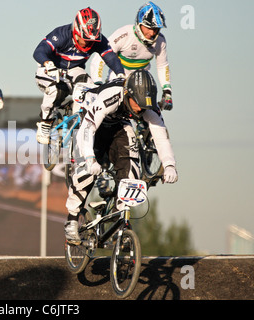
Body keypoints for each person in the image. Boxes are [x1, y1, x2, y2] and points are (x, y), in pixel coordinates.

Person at [64, 69, 178, 242]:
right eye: (137, 104)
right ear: (127, 93)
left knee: (131, 165)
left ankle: (121, 219)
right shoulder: (111, 96)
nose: (140, 109)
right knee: (85, 171)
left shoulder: (147, 106)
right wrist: (89, 158)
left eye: (144, 106)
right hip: (89, 124)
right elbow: (88, 129)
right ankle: (72, 219)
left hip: (118, 126)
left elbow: (161, 137)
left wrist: (169, 164)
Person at [33, 7, 125, 144]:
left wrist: (121, 75)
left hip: (75, 70)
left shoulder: (97, 40)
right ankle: (45, 122)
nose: (89, 43)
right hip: (50, 68)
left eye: (92, 40)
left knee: (92, 90)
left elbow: (111, 58)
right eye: (85, 39)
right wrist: (48, 63)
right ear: (76, 30)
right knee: (56, 89)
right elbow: (38, 51)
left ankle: (82, 123)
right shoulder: (61, 34)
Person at [89, 2, 173, 110]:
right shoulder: (124, 34)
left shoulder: (161, 41)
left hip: (141, 84)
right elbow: (100, 59)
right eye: (149, 28)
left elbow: (162, 65)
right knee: (107, 112)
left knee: (154, 116)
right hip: (118, 79)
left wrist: (167, 91)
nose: (152, 33)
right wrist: (97, 83)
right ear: (139, 24)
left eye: (156, 29)